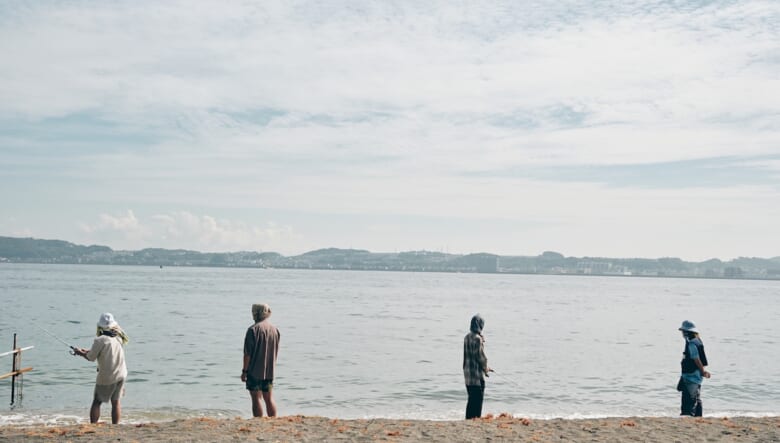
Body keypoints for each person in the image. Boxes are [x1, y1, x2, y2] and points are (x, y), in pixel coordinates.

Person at [73, 312, 129, 424]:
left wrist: (80, 353)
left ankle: (93, 425)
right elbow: (105, 352)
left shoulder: (100, 340)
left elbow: (91, 357)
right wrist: (87, 351)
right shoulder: (118, 337)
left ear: (100, 326)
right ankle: (115, 426)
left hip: (108, 376)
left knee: (97, 401)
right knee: (116, 401)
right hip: (121, 374)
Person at [242, 303, 280, 417]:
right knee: (268, 398)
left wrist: (244, 371)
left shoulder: (252, 330)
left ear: (255, 313)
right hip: (269, 370)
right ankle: (273, 420)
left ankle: (258, 421)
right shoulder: (275, 330)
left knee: (256, 397)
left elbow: (247, 354)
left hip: (254, 370)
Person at [677, 320, 711, 416]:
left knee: (689, 398)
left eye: (683, 332)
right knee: (696, 397)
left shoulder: (692, 343)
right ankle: (698, 416)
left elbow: (696, 359)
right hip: (695, 375)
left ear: (687, 332)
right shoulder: (698, 341)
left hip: (691, 374)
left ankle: (688, 415)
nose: (683, 334)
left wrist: (703, 371)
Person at [463, 314, 491, 419]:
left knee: (471, 400)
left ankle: (468, 420)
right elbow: (481, 357)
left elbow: (469, 356)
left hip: (467, 374)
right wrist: (486, 369)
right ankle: (476, 419)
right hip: (476, 376)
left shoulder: (466, 337)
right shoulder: (477, 339)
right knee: (478, 401)